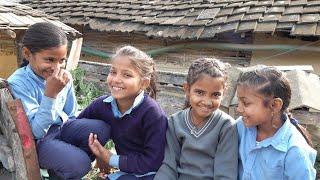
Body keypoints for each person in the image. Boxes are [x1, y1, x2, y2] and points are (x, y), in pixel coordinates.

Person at [8, 22, 110, 179]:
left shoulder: (64, 77)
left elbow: (71, 113)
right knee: (81, 164)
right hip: (39, 143)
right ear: (27, 54)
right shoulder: (19, 82)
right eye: (49, 60)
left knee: (102, 129)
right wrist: (50, 95)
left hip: (62, 128)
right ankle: (70, 166)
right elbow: (35, 131)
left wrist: (77, 138)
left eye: (62, 60)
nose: (56, 67)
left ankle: (61, 171)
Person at [77, 45, 168, 180]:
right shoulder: (102, 105)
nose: (116, 79)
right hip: (126, 172)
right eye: (113, 72)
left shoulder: (152, 113)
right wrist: (98, 154)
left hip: (153, 174)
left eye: (127, 75)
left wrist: (109, 158)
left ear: (143, 83)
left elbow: (153, 161)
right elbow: (78, 126)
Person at [155, 58, 238, 180]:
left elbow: (225, 174)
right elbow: (169, 166)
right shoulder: (175, 122)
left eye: (215, 95)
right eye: (200, 92)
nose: (207, 101)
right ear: (187, 89)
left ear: (224, 93)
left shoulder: (226, 126)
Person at [236, 66, 317, 180]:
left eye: (245, 103)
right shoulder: (240, 127)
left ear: (274, 105)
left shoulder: (295, 151)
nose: (239, 109)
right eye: (238, 101)